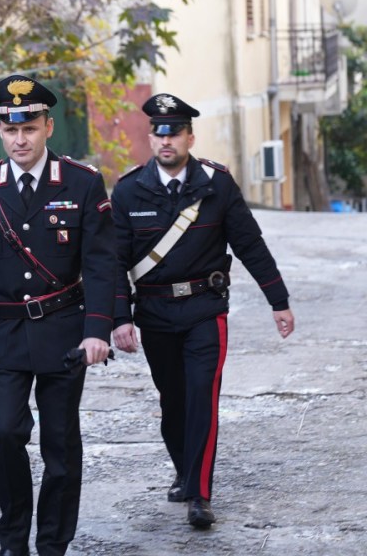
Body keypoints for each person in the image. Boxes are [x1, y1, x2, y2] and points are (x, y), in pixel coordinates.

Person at [0, 74, 115, 556]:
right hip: (7, 334)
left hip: (64, 332)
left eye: (29, 128)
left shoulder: (80, 182)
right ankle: (14, 539)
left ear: (48, 128)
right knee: (6, 433)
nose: (20, 138)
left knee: (60, 445)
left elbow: (101, 263)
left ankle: (53, 542)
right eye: (10, 129)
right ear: (0, 131)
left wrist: (98, 329)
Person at [110, 93, 295, 529]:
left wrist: (278, 300)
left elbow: (249, 244)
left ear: (189, 136)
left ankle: (200, 492)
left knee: (202, 399)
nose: (166, 141)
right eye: (159, 133)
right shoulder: (129, 190)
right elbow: (114, 262)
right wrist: (119, 318)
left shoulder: (216, 184)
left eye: (174, 133)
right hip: (154, 312)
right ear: (150, 139)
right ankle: (184, 470)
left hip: (204, 310)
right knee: (173, 401)